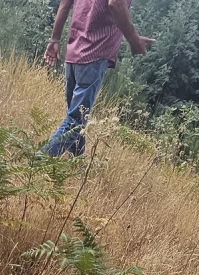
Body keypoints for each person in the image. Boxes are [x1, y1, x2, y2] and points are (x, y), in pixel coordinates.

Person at [42, 0, 153, 157]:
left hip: (73, 52)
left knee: (76, 117)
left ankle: (77, 163)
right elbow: (116, 4)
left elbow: (65, 3)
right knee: (75, 122)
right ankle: (37, 162)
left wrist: (54, 39)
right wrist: (134, 40)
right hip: (94, 55)